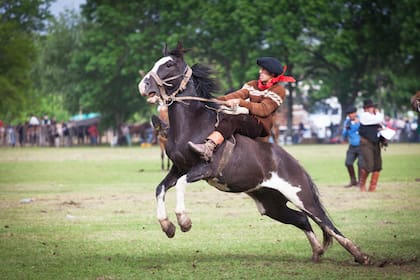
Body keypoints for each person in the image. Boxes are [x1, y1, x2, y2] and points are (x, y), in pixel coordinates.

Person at [188, 57, 295, 161]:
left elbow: (264, 109)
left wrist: (240, 103)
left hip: (260, 125)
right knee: (222, 115)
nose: (260, 72)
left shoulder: (279, 90)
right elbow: (236, 95)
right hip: (246, 119)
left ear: (272, 74)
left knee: (233, 120)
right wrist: (214, 101)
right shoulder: (252, 84)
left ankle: (209, 147)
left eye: (263, 70)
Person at [358, 98, 384, 192]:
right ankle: (362, 184)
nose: (371, 109)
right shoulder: (364, 116)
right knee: (369, 165)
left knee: (378, 165)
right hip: (366, 143)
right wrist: (377, 113)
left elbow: (380, 122)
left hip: (375, 142)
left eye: (372, 107)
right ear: (365, 109)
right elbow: (379, 119)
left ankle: (372, 187)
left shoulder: (374, 117)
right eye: (369, 107)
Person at [341, 105, 361, 188]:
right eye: (349, 114)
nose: (350, 115)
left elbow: (363, 130)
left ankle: (360, 182)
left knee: (361, 164)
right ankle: (353, 181)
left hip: (362, 145)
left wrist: (358, 123)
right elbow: (344, 134)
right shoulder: (347, 122)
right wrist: (346, 129)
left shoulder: (361, 120)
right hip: (352, 145)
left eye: (351, 114)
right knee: (348, 163)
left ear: (355, 113)